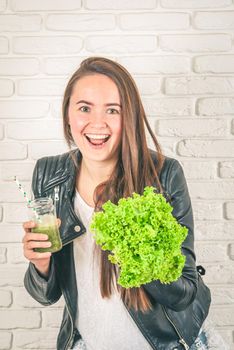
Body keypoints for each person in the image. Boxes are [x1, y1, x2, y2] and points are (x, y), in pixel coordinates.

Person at [22, 57, 211, 350]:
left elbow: (183, 293)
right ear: (68, 115)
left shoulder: (164, 174)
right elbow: (47, 295)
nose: (97, 124)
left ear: (129, 118)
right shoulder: (49, 175)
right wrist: (41, 266)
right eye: (84, 108)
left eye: (113, 110)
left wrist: (139, 253)